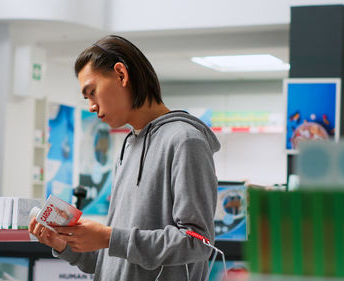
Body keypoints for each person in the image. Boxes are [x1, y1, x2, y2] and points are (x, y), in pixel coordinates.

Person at [29, 35, 220, 280]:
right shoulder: (128, 145)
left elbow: (198, 243)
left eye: (92, 92)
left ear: (121, 74)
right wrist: (63, 245)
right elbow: (115, 260)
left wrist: (110, 237)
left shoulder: (185, 140)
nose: (91, 106)